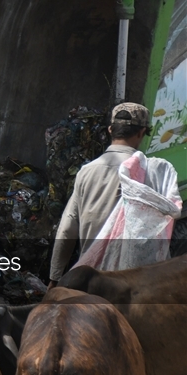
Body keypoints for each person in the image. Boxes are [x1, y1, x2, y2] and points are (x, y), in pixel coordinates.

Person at [49, 102, 154, 282]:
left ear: (110, 130)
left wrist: (55, 278)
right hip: (130, 284)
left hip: (90, 281)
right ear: (141, 133)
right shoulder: (149, 172)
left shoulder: (86, 172)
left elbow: (67, 229)